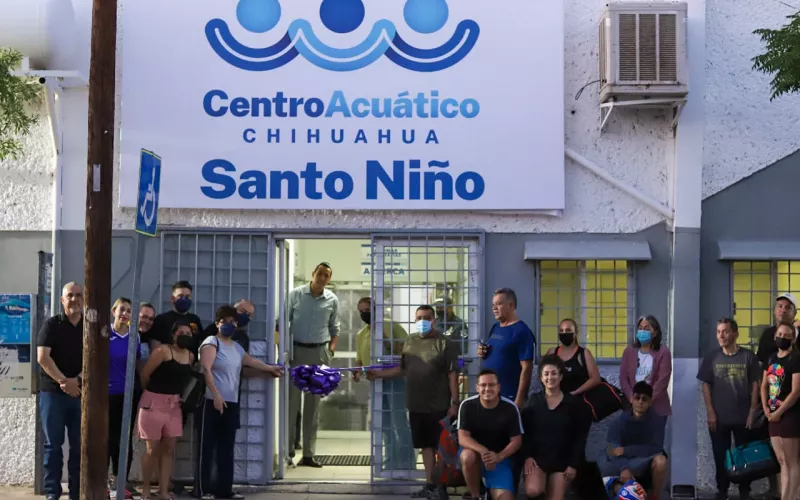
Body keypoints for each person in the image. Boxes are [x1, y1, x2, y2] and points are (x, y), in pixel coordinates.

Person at [367, 305, 460, 499]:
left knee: (440, 448)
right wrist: (379, 374)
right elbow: (402, 369)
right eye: (419, 317)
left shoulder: (446, 343)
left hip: (439, 405)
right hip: (416, 405)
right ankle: (429, 485)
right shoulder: (409, 342)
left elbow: (452, 374)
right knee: (425, 446)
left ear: (434, 320)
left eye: (427, 317)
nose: (422, 321)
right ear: (414, 319)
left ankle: (441, 488)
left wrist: (455, 402)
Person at [197, 305, 284, 500]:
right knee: (207, 447)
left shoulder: (236, 346)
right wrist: (216, 395)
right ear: (218, 323)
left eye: (232, 322)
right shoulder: (211, 342)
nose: (229, 325)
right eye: (225, 322)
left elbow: (251, 361)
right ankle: (203, 490)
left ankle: (224, 490)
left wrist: (271, 369)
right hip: (212, 402)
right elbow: (206, 369)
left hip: (231, 403)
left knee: (227, 448)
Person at [697, 318, 761, 500]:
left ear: (735, 333)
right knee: (720, 456)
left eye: (725, 331)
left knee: (744, 456)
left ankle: (744, 492)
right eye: (718, 332)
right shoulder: (712, 357)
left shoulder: (748, 356)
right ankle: (722, 491)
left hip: (743, 417)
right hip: (719, 418)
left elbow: (755, 385)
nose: (721, 335)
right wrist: (710, 411)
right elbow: (706, 385)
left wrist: (752, 413)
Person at [286, 262, 340, 468]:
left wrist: (330, 351)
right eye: (320, 274)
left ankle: (308, 454)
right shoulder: (296, 295)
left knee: (313, 407)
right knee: (291, 404)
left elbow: (335, 328)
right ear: (313, 274)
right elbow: (282, 321)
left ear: (329, 279)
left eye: (327, 275)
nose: (322, 278)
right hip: (296, 352)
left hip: (319, 352)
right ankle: (289, 450)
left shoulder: (332, 300)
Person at [353, 297, 414, 471]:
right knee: (384, 423)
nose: (365, 313)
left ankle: (406, 461)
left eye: (368, 309)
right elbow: (359, 359)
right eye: (361, 310)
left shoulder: (391, 326)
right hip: (376, 383)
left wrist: (386, 338)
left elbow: (406, 349)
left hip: (395, 380)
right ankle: (390, 460)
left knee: (399, 421)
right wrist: (357, 371)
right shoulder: (361, 334)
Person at [37, 282, 84, 500]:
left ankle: (76, 493)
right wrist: (65, 381)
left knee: (79, 448)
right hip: (53, 394)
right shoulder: (51, 325)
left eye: (78, 295)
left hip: (81, 395)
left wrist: (79, 381)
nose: (74, 299)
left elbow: (99, 358)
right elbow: (43, 358)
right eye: (70, 295)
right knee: (53, 446)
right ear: (62, 300)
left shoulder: (90, 327)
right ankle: (52, 494)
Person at [138, 321, 195, 500]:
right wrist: (153, 394)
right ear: (173, 334)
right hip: (153, 403)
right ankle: (146, 487)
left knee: (169, 448)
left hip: (174, 406)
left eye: (188, 332)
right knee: (151, 448)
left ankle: (164, 490)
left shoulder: (190, 356)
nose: (185, 334)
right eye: (181, 331)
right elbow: (145, 374)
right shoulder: (162, 351)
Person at [521, 355, 589, 500]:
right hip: (538, 460)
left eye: (554, 373)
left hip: (562, 463)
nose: (550, 377)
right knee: (533, 491)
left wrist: (573, 465)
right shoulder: (534, 401)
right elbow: (524, 432)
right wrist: (527, 456)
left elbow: (580, 437)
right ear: (540, 377)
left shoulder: (573, 404)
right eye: (546, 374)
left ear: (561, 376)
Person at [457, 369, 523, 500]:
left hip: (500, 459)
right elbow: (463, 437)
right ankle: (476, 496)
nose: (487, 389)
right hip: (475, 456)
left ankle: (491, 489)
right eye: (483, 385)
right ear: (477, 387)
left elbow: (517, 441)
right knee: (467, 456)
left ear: (498, 387)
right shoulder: (467, 405)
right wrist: (483, 451)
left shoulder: (509, 407)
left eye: (492, 385)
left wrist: (499, 456)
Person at [598, 382, 668, 500]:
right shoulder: (619, 421)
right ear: (631, 399)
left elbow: (655, 447)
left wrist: (626, 450)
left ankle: (654, 496)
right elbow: (612, 448)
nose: (640, 402)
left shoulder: (657, 420)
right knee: (603, 459)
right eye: (637, 398)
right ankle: (619, 491)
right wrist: (623, 468)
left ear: (650, 402)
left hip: (643, 458)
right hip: (621, 460)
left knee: (661, 460)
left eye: (644, 399)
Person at [107, 297, 144, 500]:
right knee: (105, 439)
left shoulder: (134, 337)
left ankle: (119, 482)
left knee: (123, 440)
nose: (125, 314)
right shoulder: (104, 334)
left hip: (126, 395)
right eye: (122, 309)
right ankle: (101, 482)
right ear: (114, 311)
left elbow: (136, 363)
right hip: (105, 395)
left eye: (129, 311)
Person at [761, 321, 800, 500]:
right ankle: (786, 495)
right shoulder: (771, 358)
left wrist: (779, 412)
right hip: (772, 414)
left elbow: (796, 391)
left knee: (792, 462)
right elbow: (763, 386)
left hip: (789, 415)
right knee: (782, 461)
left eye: (786, 336)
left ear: (793, 338)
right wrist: (766, 409)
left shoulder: (796, 359)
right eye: (780, 335)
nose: (782, 338)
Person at [478, 288, 535, 408]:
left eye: (498, 304)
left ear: (511, 305)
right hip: (489, 395)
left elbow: (527, 368)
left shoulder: (522, 332)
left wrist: (519, 399)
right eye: (493, 305)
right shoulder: (495, 327)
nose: (494, 308)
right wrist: (482, 352)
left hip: (508, 396)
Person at [620, 316, 672, 418]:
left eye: (647, 329)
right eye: (640, 328)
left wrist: (647, 400)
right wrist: (632, 399)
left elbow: (662, 380)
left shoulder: (663, 352)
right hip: (632, 407)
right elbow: (623, 378)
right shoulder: (629, 351)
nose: (642, 331)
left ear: (655, 333)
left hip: (656, 407)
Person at [547, 318, 602, 396]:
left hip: (578, 399)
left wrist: (575, 393)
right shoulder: (552, 352)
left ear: (575, 332)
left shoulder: (584, 354)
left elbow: (595, 379)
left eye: (568, 330)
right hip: (555, 398)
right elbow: (543, 374)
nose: (564, 333)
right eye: (561, 330)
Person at [146, 281, 204, 354]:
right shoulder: (161, 319)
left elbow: (199, 341)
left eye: (188, 296)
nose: (184, 299)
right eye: (180, 296)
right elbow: (155, 349)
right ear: (172, 298)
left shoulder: (195, 319)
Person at [756, 293, 799, 367]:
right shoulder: (767, 334)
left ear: (795, 313)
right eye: (780, 306)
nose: (783, 310)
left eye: (788, 307)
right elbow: (761, 361)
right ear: (774, 311)